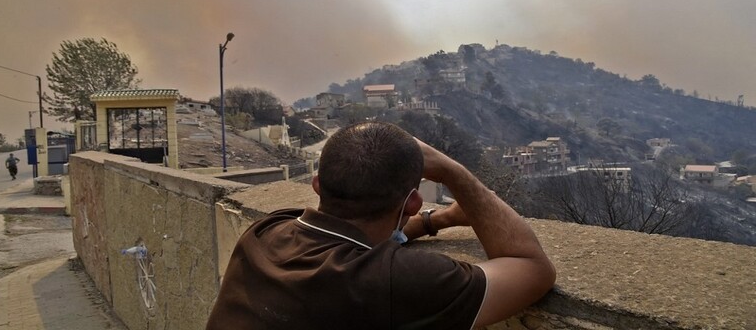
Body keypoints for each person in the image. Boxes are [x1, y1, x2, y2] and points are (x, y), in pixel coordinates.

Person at [206, 121, 555, 330]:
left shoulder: (267, 230)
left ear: (316, 185)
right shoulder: (394, 281)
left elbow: (357, 239)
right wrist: (451, 171)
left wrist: (439, 220)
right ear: (412, 203)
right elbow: (532, 268)